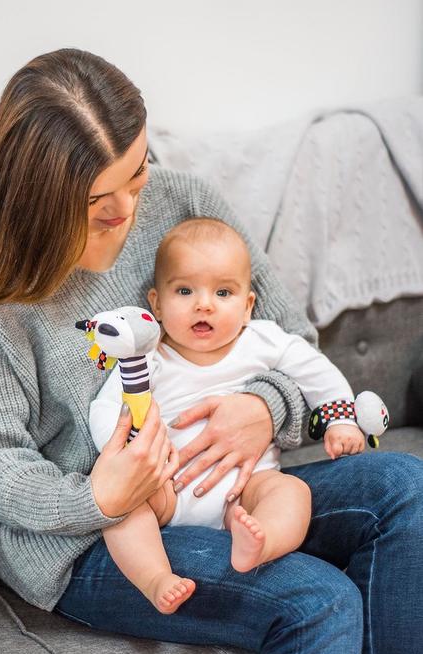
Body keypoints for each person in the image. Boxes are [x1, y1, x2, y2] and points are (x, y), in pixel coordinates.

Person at [0, 47, 423, 654]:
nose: (128, 211)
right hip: (100, 534)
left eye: (137, 173)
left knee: (407, 485)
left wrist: (264, 407)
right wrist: (96, 498)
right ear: (40, 198)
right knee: (319, 599)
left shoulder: (186, 202)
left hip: (230, 488)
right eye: (98, 200)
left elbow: (291, 341)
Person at [88, 217, 365, 614]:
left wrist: (340, 419)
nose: (204, 304)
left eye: (223, 292)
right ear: (157, 305)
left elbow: (315, 370)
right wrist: (129, 453)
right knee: (121, 509)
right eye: (185, 290)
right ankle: (155, 577)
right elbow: (106, 408)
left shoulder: (262, 340)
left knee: (291, 492)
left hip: (247, 486)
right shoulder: (147, 359)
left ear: (247, 306)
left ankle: (261, 540)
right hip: (165, 488)